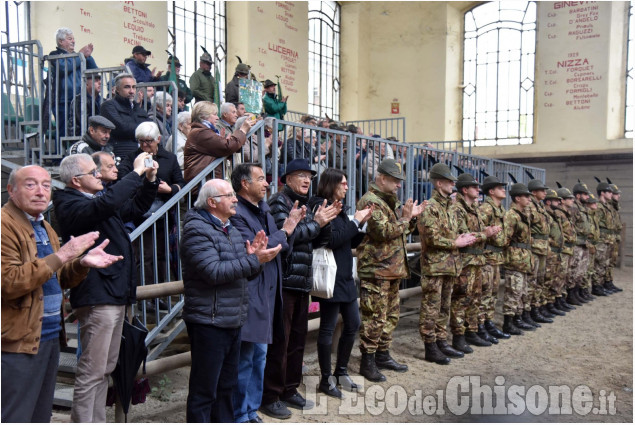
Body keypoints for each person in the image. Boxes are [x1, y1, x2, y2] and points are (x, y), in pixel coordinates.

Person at [1, 165, 123, 423]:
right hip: (16, 339)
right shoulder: (4, 226)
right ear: (11, 190)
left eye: (46, 185)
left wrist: (80, 264)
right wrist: (64, 255)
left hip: (48, 335)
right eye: (30, 184)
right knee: (16, 415)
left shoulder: (43, 224)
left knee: (40, 413)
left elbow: (55, 277)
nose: (40, 192)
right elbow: (9, 282)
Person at [52, 152, 159, 422]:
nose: (100, 174)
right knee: (92, 370)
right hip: (98, 295)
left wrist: (149, 179)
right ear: (76, 181)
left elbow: (134, 208)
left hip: (114, 293)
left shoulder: (96, 200)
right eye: (94, 172)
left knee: (106, 368)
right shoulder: (68, 202)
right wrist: (134, 173)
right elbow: (109, 203)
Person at [180, 179, 281, 422]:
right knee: (204, 392)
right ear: (212, 202)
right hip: (209, 321)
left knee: (227, 388)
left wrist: (255, 260)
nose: (236, 199)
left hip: (232, 319)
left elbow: (243, 271)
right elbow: (213, 272)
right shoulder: (196, 229)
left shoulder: (230, 228)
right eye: (229, 195)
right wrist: (254, 260)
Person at [260, 158, 339, 419]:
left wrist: (324, 224)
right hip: (283, 282)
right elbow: (288, 234)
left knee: (296, 340)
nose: (307, 180)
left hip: (301, 281)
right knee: (280, 341)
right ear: (287, 179)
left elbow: (314, 238)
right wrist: (317, 224)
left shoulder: (307, 204)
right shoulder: (278, 202)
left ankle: (289, 389)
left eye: (309, 176)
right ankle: (270, 395)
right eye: (301, 175)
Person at [230, 163, 305, 423]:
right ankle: (240, 413)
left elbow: (277, 245)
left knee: (260, 358)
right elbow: (256, 248)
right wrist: (285, 230)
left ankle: (251, 410)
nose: (266, 184)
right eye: (261, 179)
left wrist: (285, 231)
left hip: (270, 292)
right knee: (245, 359)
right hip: (249, 293)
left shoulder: (263, 209)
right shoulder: (236, 212)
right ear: (244, 183)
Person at [355, 159, 424, 380]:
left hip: (393, 267)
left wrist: (411, 219)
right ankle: (368, 361)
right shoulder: (370, 201)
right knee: (374, 317)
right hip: (376, 269)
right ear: (382, 178)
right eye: (395, 181)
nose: (398, 185)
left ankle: (383, 354)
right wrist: (405, 218)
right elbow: (383, 232)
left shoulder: (390, 200)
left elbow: (400, 231)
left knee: (391, 316)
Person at [307, 168, 373, 398]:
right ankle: (326, 379)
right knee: (327, 327)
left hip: (344, 275)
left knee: (353, 323)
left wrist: (361, 224)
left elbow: (349, 240)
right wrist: (354, 221)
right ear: (332, 184)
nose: (346, 186)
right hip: (330, 276)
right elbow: (332, 240)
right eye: (342, 183)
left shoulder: (339, 207)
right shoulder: (321, 206)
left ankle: (340, 371)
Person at [417, 164, 477, 365]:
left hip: (450, 264)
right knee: (431, 307)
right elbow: (432, 237)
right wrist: (455, 242)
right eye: (449, 181)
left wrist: (463, 236)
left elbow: (459, 229)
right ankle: (430, 345)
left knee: (445, 305)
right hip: (435, 266)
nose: (453, 184)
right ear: (438, 182)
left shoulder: (450, 207)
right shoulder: (430, 206)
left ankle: (441, 340)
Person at [449, 173, 501, 352]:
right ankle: (458, 335)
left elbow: (475, 232)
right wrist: (485, 234)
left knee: (475, 298)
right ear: (465, 190)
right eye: (475, 187)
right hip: (466, 260)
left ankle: (471, 331)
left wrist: (484, 232)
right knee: (461, 299)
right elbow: (464, 235)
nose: (479, 190)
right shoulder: (458, 209)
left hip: (477, 259)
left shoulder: (475, 209)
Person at [47, 27, 98, 139]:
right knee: (63, 132)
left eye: (73, 39)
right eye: (70, 39)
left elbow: (95, 72)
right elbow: (64, 67)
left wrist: (88, 57)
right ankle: (58, 156)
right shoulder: (55, 54)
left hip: (79, 101)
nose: (73, 41)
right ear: (61, 41)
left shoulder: (78, 57)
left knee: (80, 131)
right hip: (62, 101)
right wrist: (80, 55)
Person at [184, 101, 251, 184]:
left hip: (205, 183)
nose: (217, 118)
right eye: (214, 114)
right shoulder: (200, 132)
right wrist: (242, 130)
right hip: (201, 186)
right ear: (203, 116)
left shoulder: (203, 131)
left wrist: (223, 141)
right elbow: (227, 147)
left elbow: (225, 149)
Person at [500, 183, 536, 335]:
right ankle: (508, 323)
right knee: (513, 291)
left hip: (523, 259)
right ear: (517, 198)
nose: (529, 199)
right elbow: (505, 239)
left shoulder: (522, 215)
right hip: (515, 259)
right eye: (526, 196)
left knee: (521, 291)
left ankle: (517, 319)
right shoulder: (511, 216)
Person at [478, 176, 510, 340]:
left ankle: (488, 321)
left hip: (497, 256)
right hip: (488, 256)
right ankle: (480, 324)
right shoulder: (486, 209)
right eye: (500, 187)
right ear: (491, 191)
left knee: (493, 292)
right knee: (485, 292)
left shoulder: (500, 209)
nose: (504, 190)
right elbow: (479, 230)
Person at [100, 73, 151, 159]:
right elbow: (122, 128)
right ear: (117, 89)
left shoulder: (138, 108)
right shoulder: (108, 106)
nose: (131, 91)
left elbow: (151, 129)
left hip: (144, 154)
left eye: (134, 87)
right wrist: (143, 129)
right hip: (122, 155)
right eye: (127, 87)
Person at [525, 179, 554, 326]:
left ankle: (536, 308)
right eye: (542, 190)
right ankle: (527, 312)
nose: (545, 192)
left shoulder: (540, 207)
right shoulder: (529, 206)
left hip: (543, 247)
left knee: (540, 280)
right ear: (534, 192)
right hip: (534, 248)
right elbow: (526, 229)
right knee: (531, 281)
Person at [566, 182, 594, 303]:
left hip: (584, 243)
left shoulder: (583, 208)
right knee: (574, 269)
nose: (587, 197)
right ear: (578, 196)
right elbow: (569, 226)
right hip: (577, 243)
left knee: (581, 270)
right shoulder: (574, 208)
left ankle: (577, 292)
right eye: (585, 194)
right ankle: (571, 294)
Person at [555, 187, 580, 308]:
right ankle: (558, 300)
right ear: (562, 200)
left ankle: (563, 298)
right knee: (560, 275)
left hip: (569, 248)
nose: (572, 200)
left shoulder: (567, 213)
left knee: (566, 275)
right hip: (563, 248)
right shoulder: (558, 214)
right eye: (569, 198)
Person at [592, 180, 616, 296]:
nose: (611, 194)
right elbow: (595, 224)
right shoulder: (598, 207)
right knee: (599, 263)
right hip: (602, 239)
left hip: (608, 239)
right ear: (602, 193)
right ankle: (596, 286)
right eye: (609, 192)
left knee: (605, 263)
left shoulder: (608, 206)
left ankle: (601, 285)